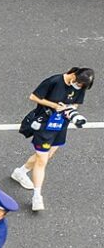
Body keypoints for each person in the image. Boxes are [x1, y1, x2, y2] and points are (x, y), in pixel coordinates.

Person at [14, 64, 92, 211]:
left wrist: (69, 110)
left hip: (61, 125)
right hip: (44, 125)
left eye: (82, 86)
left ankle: (21, 172)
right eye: (79, 83)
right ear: (74, 75)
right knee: (42, 161)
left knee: (47, 155)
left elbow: (75, 104)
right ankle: (37, 197)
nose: (79, 86)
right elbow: (33, 97)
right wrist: (55, 106)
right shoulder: (54, 81)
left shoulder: (81, 86)